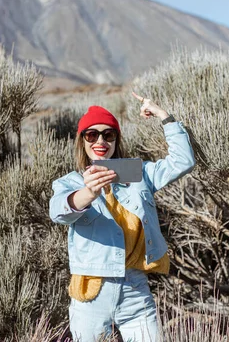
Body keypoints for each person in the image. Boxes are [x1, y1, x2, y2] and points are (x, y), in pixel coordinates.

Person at [49, 92, 196, 342]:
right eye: (92, 134)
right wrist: (89, 192)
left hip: (135, 287)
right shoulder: (70, 182)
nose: (100, 141)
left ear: (116, 140)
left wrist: (164, 116)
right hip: (91, 290)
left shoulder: (137, 173)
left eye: (109, 134)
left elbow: (183, 161)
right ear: (82, 141)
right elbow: (59, 212)